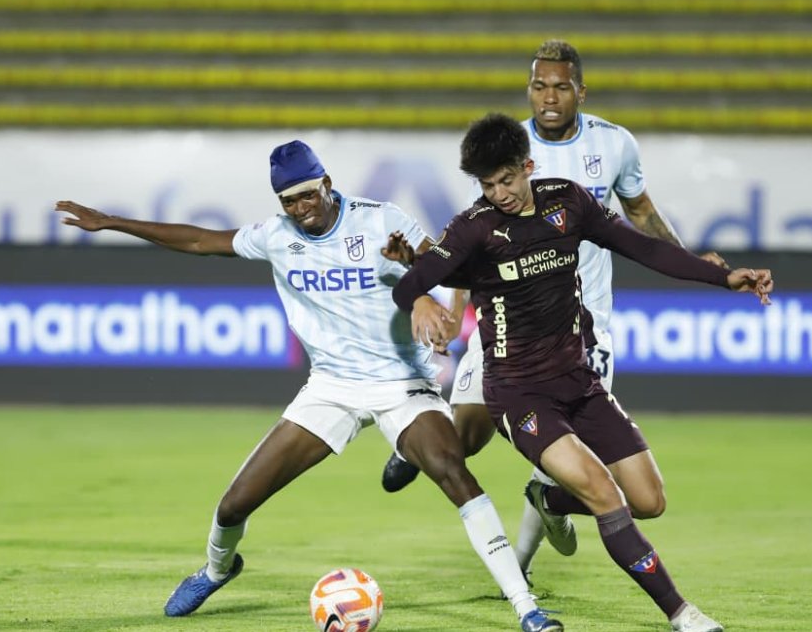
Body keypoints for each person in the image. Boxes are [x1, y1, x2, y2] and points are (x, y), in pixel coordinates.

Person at [56, 140, 562, 631]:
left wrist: (426, 291)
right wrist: (113, 222)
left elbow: (442, 263)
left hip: (401, 384)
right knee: (234, 504)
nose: (300, 208)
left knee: (455, 473)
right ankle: (216, 570)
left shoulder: (378, 218)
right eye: (289, 200)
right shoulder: (276, 235)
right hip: (330, 388)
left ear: (327, 183)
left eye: (307, 195)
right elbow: (198, 240)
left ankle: (524, 607)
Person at [393, 113, 774, 632]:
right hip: (519, 394)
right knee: (606, 494)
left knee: (649, 500)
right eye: (487, 185)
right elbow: (412, 280)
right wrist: (418, 301)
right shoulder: (474, 227)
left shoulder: (567, 202)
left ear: (527, 166)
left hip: (578, 381)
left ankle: (548, 497)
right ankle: (681, 613)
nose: (499, 193)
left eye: (506, 179)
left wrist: (722, 276)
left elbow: (642, 246)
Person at [381, 39, 726, 577]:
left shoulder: (615, 146)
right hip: (505, 326)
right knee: (466, 437)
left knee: (567, 462)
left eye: (560, 86)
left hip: (583, 329)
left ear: (580, 92)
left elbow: (641, 217)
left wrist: (693, 265)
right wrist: (450, 311)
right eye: (539, 86)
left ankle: (519, 564)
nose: (549, 97)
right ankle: (417, 440)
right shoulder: (504, 151)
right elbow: (475, 245)